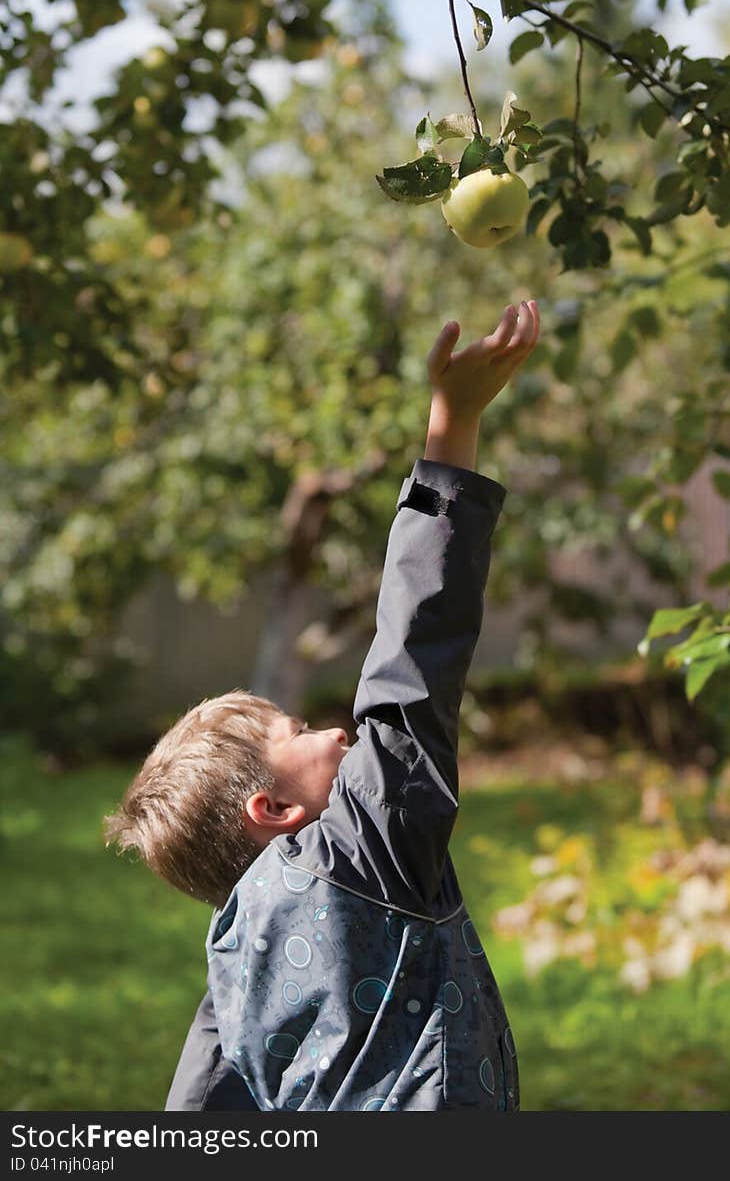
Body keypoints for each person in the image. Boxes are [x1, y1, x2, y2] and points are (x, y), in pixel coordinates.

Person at [105, 299, 541, 1112]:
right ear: (272, 807)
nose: (340, 730)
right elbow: (416, 662)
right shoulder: (362, 851)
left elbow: (197, 1107)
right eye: (299, 733)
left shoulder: (233, 957)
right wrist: (452, 426)